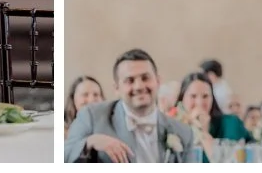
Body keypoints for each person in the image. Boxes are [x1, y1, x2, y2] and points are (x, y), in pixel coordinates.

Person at [65, 49, 196, 163]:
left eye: (145, 78)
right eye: (130, 80)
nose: (139, 86)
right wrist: (89, 142)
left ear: (158, 81)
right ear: (117, 88)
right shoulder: (92, 117)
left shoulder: (183, 132)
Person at [174, 72, 250, 160]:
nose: (199, 103)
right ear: (182, 99)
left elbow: (229, 162)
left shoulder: (231, 123)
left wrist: (203, 132)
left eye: (205, 96)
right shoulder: (173, 127)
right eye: (193, 96)